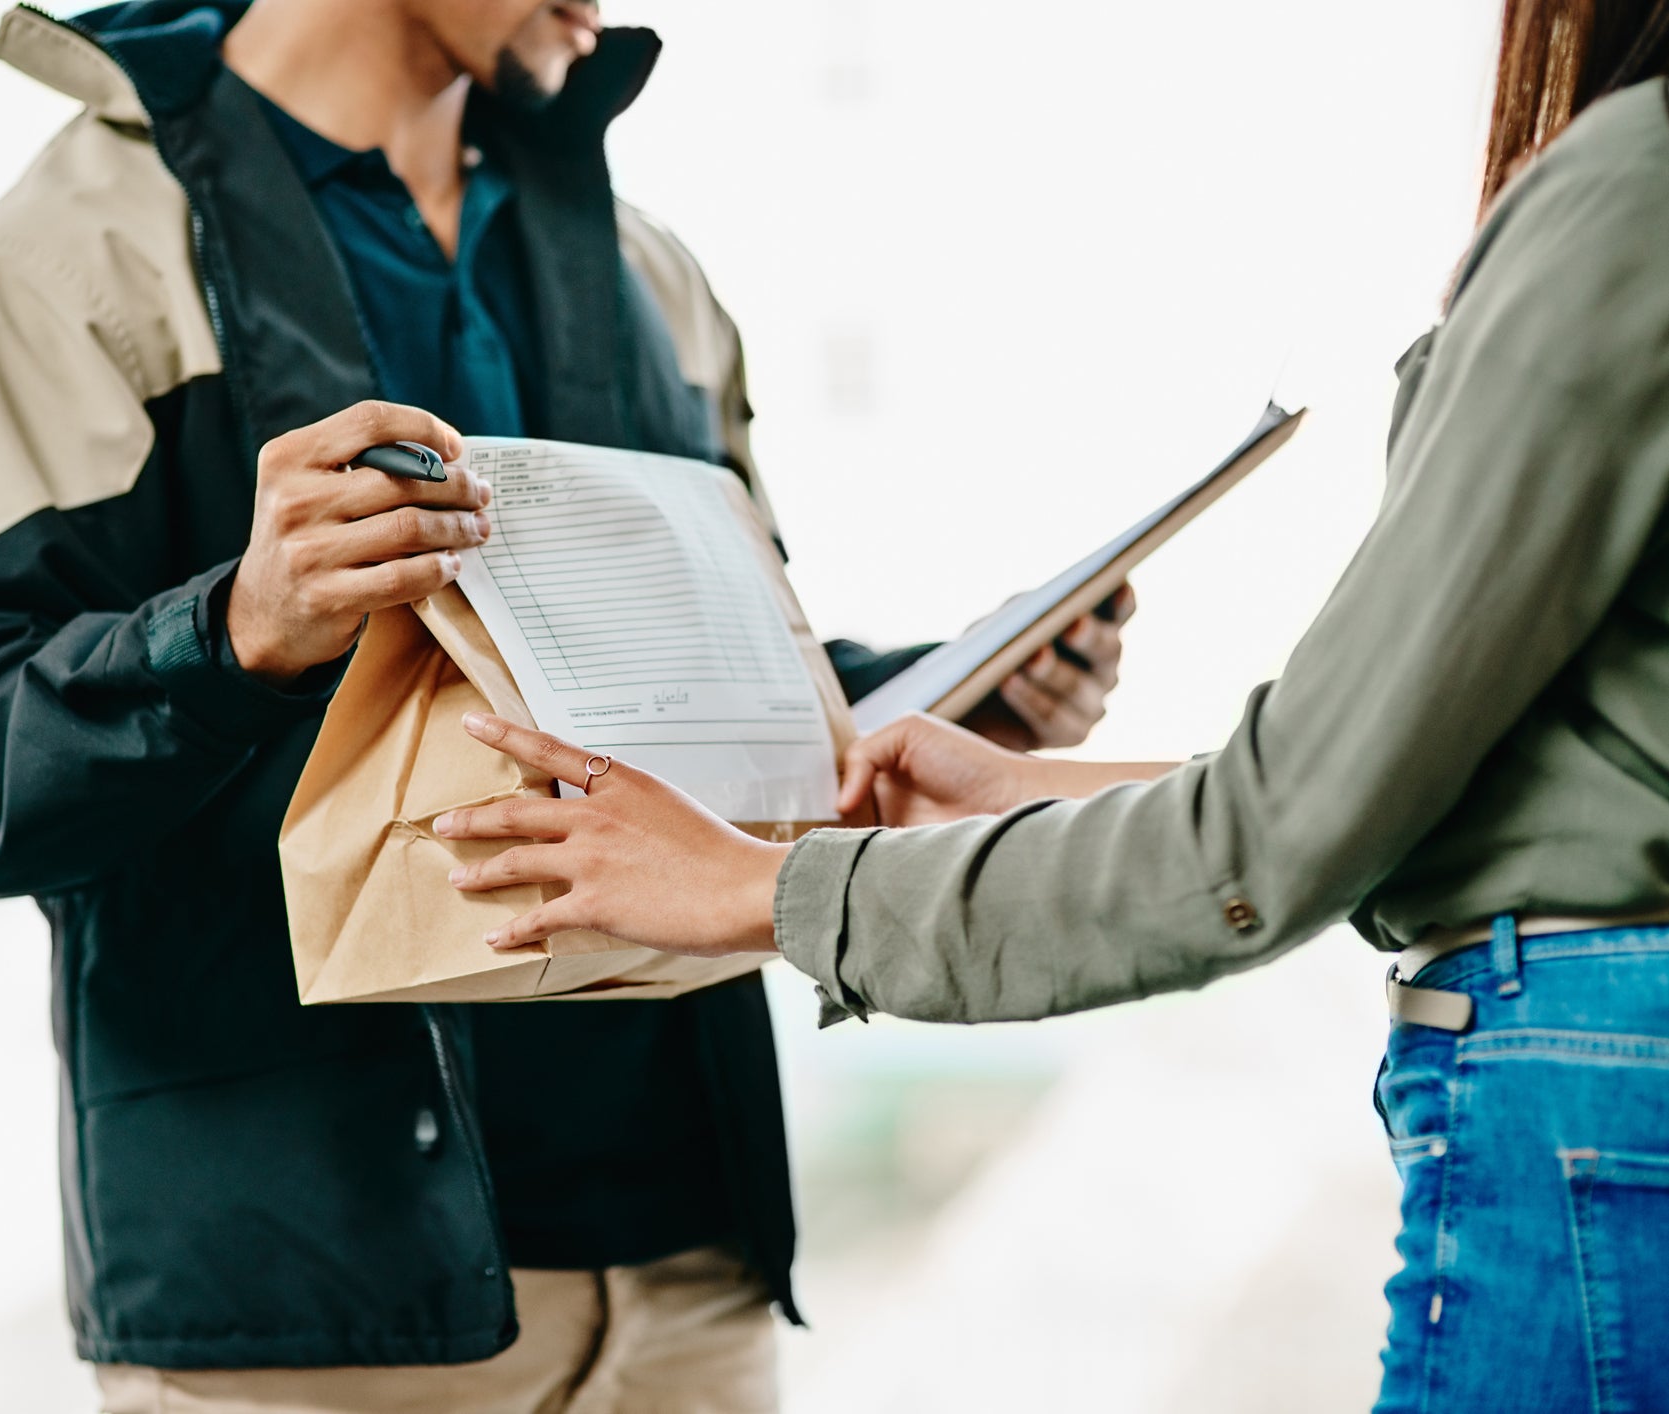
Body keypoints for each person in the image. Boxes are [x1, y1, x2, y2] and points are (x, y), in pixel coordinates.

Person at [0, 1, 1128, 1408]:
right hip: (312, 1320)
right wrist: (237, 631)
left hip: (687, 1274)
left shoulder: (643, 269)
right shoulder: (63, 270)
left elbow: (713, 688)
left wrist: (948, 698)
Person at [438, 3, 1669, 1409]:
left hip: (1593, 1097)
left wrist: (758, 886)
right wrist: (1029, 793)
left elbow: (1268, 846)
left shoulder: (1626, 186)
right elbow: (1509, 779)